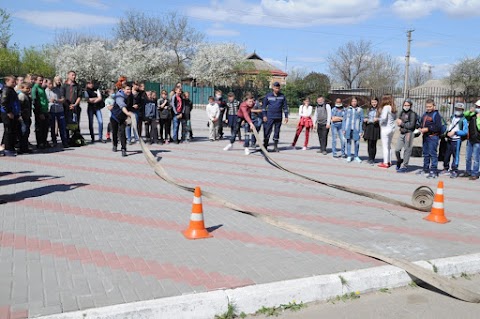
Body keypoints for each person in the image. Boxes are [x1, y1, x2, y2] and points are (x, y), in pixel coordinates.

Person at [440, 103, 468, 178]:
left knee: (456, 155)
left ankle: (454, 170)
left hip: (457, 140)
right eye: (456, 109)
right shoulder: (452, 117)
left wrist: (456, 132)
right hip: (449, 139)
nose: (457, 111)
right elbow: (449, 126)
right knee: (447, 154)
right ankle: (446, 168)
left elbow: (465, 132)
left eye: (459, 109)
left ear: (462, 110)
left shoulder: (463, 120)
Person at [417, 99, 443, 178]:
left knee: (433, 154)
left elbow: (438, 127)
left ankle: (434, 171)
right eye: (427, 107)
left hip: (433, 137)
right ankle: (425, 169)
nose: (428, 108)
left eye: (430, 106)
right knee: (425, 153)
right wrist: (420, 128)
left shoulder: (436, 115)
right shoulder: (425, 114)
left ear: (434, 106)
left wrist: (428, 129)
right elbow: (421, 123)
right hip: (425, 136)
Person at [262, 82, 288, 152]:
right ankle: (265, 146)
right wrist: (264, 115)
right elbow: (264, 107)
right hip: (270, 116)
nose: (277, 89)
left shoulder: (282, 96)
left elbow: (285, 106)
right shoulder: (268, 96)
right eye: (276, 88)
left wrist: (286, 116)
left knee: (277, 132)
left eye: (278, 88)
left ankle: (275, 146)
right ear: (273, 88)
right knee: (267, 131)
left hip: (278, 117)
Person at [110, 83, 133, 157]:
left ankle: (124, 149)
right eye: (127, 89)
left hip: (122, 118)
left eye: (130, 89)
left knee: (122, 133)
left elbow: (130, 106)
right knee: (114, 132)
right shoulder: (119, 96)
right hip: (115, 116)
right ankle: (115, 145)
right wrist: (127, 113)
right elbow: (122, 106)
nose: (129, 91)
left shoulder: (130, 96)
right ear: (123, 89)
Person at [394, 99, 417, 173]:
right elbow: (399, 121)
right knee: (397, 149)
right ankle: (399, 160)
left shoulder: (412, 114)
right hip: (402, 133)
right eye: (405, 105)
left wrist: (402, 124)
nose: (406, 106)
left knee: (407, 150)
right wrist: (398, 123)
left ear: (410, 106)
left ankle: (405, 166)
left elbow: (411, 125)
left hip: (409, 133)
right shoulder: (402, 112)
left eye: (408, 105)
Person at [0, 76, 20, 157]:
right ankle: (7, 149)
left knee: (11, 131)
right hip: (7, 114)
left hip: (13, 113)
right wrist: (8, 112)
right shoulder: (6, 90)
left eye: (15, 81)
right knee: (8, 131)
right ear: (7, 81)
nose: (14, 83)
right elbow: (3, 103)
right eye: (12, 82)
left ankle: (8, 147)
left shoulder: (11, 90)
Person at [45, 78, 68, 148]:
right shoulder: (45, 91)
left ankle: (64, 141)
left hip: (59, 110)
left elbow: (63, 99)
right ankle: (54, 141)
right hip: (51, 110)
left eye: (51, 83)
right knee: (52, 127)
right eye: (49, 84)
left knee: (62, 126)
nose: (51, 85)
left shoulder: (58, 90)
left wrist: (57, 100)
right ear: (46, 84)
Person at [61, 71, 82, 139]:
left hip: (75, 108)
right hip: (66, 108)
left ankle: (75, 138)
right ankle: (66, 139)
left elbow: (79, 96)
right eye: (72, 75)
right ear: (68, 76)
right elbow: (62, 97)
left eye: (75, 75)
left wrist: (75, 104)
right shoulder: (64, 86)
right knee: (66, 124)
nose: (74, 76)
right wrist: (68, 105)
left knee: (75, 124)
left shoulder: (77, 86)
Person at [378, 94, 397, 168]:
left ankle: (385, 162)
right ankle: (389, 161)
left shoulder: (386, 107)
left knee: (385, 146)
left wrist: (380, 122)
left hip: (385, 128)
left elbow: (383, 118)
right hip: (392, 128)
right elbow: (395, 117)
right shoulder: (393, 107)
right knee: (389, 146)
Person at [342, 96, 364, 163]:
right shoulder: (347, 109)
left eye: (355, 101)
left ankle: (356, 156)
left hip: (356, 129)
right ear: (350, 102)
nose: (354, 103)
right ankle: (349, 156)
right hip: (348, 128)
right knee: (348, 142)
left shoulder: (360, 110)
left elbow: (361, 121)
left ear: (357, 102)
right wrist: (344, 129)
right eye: (353, 101)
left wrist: (361, 130)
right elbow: (344, 119)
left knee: (357, 142)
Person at [462, 101, 480, 180]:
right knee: (468, 157)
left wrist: (479, 118)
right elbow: (465, 115)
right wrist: (470, 111)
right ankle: (468, 171)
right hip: (470, 139)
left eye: (478, 107)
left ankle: (475, 173)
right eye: (476, 106)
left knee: (476, 158)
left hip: (477, 140)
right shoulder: (473, 115)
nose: (477, 108)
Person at [31, 75, 50, 149]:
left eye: (42, 80)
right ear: (35, 80)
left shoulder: (41, 88)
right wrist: (39, 113)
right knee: (39, 128)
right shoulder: (35, 89)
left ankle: (44, 141)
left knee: (45, 128)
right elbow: (35, 101)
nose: (41, 82)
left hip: (45, 110)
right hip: (40, 111)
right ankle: (40, 143)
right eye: (40, 80)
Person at [363, 97, 381, 165]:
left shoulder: (379, 110)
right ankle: (369, 157)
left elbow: (382, 118)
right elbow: (365, 117)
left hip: (375, 127)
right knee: (369, 143)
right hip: (369, 127)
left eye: (375, 102)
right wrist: (365, 119)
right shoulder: (368, 109)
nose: (374, 103)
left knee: (374, 143)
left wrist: (378, 119)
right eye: (372, 102)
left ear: (377, 102)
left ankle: (373, 158)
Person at [17, 82, 33, 154]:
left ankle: (25, 147)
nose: (28, 90)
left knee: (26, 132)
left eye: (29, 88)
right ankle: (22, 148)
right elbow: (19, 107)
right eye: (26, 88)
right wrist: (20, 115)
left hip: (27, 116)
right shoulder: (21, 96)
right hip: (23, 117)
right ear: (21, 88)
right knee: (23, 132)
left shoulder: (27, 95)